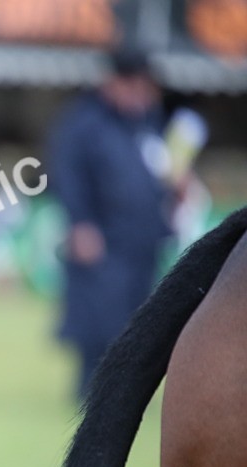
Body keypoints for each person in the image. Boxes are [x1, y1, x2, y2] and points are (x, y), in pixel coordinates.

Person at [49, 45, 175, 400]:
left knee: (140, 318)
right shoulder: (84, 123)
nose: (141, 95)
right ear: (114, 83)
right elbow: (69, 176)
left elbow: (159, 173)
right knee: (100, 321)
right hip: (103, 238)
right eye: (134, 86)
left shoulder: (149, 123)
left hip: (143, 239)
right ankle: (90, 393)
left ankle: (126, 395)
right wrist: (80, 223)